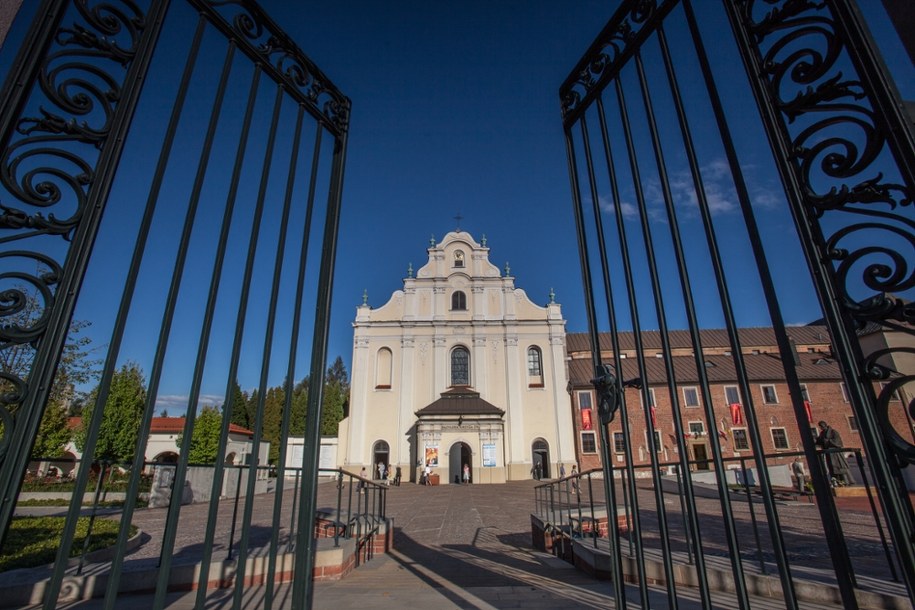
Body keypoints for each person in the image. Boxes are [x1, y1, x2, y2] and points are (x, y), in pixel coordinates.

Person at [815, 420, 854, 486]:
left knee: (840, 466)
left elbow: (838, 442)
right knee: (832, 468)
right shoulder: (822, 433)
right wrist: (817, 440)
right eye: (820, 426)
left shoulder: (833, 432)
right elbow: (820, 441)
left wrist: (827, 441)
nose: (821, 428)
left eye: (821, 426)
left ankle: (846, 481)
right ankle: (836, 482)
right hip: (828, 453)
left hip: (835, 453)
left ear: (825, 425)